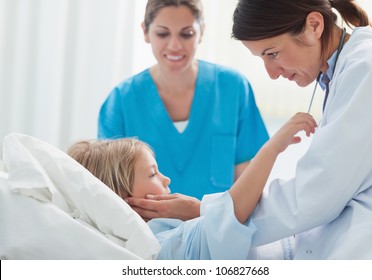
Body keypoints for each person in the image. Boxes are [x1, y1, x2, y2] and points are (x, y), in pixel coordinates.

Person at [231, 0, 372, 259]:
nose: (271, 73)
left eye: (272, 53)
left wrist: (223, 216)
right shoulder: (343, 72)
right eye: (262, 58)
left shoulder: (370, 67)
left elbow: (318, 193)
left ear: (314, 26)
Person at [97, 0, 269, 221]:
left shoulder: (233, 88)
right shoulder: (121, 102)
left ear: (201, 32)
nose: (175, 45)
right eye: (162, 34)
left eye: (186, 34)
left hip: (220, 233)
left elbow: (250, 186)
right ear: (145, 32)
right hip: (147, 239)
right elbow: (109, 195)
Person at [69, 113, 317, 259]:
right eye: (153, 173)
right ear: (124, 197)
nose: (166, 179)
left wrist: (196, 210)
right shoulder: (155, 246)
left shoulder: (168, 230)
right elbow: (231, 214)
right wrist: (272, 149)